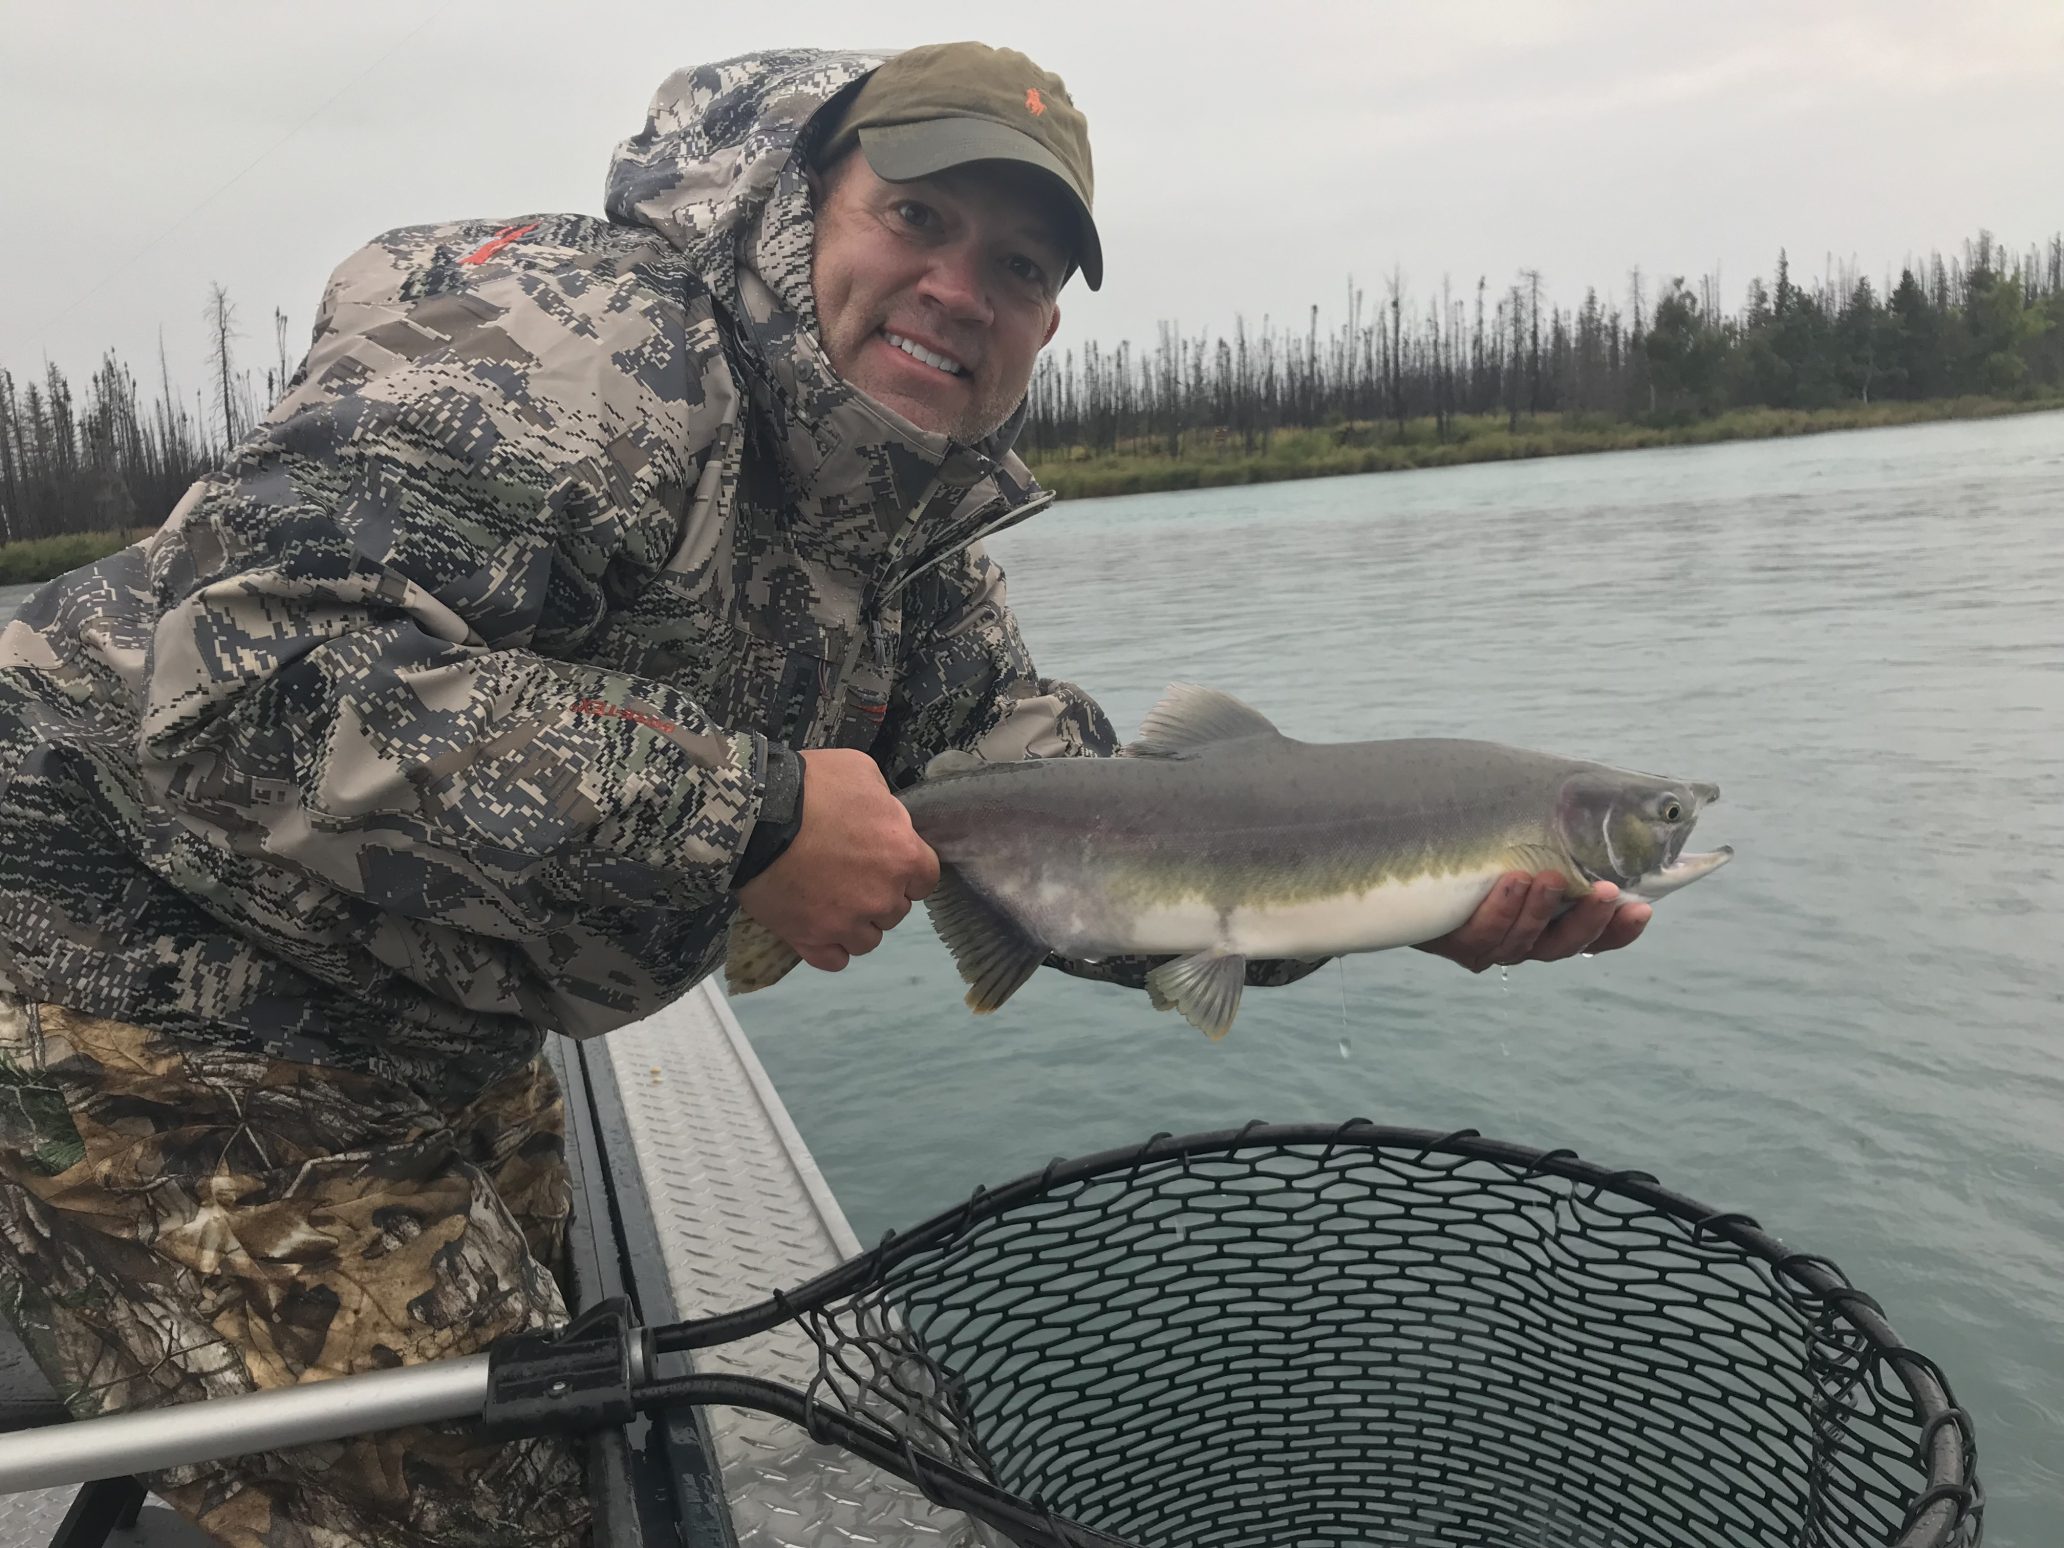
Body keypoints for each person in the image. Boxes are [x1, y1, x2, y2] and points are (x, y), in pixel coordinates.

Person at [0, 42, 1648, 1548]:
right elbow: (243, 676)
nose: (959, 289)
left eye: (1018, 267)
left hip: (412, 1011)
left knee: (561, 1405)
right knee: (473, 1511)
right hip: (98, 956)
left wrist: (1398, 903)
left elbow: (1070, 815)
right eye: (915, 216)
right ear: (803, 199)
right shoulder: (579, 350)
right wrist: (755, 818)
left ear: (1054, 321)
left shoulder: (902, 535)